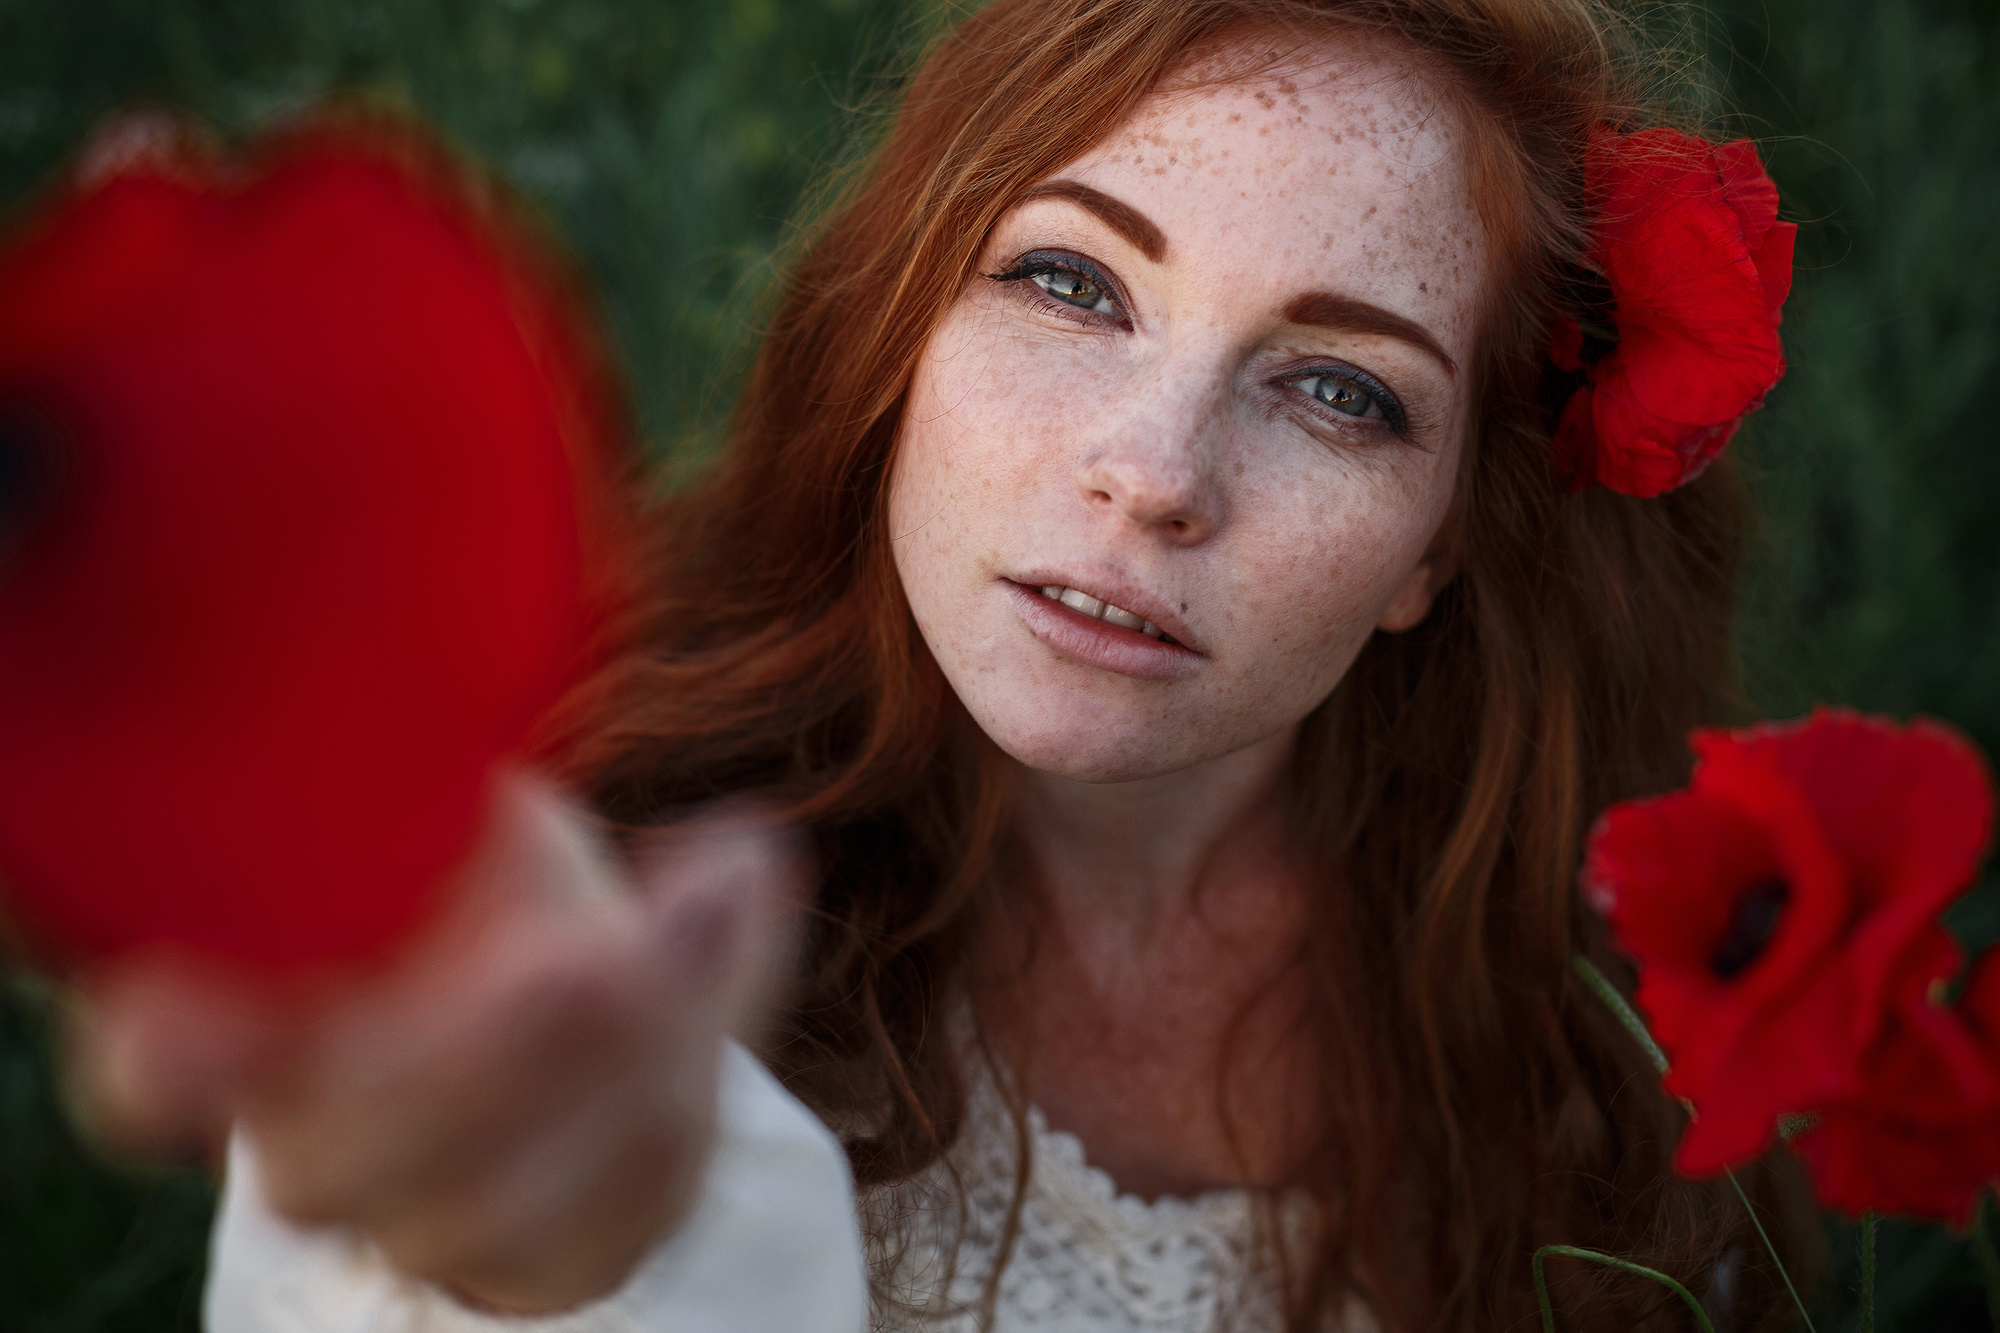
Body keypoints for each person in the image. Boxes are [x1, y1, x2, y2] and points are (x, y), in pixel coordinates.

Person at [71, 0, 1813, 1329]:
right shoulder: (579, 896)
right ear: (905, 324)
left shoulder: (1625, 1029)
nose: (1155, 470)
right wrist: (588, 1256)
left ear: (1436, 547)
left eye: (1341, 388)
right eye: (1070, 282)